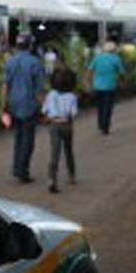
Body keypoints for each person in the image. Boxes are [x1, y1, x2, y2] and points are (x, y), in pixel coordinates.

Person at [0, 33, 45, 183]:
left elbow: (5, 86)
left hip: (13, 105)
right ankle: (22, 171)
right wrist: (45, 107)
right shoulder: (35, 63)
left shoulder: (9, 61)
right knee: (27, 140)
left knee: (18, 138)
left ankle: (17, 167)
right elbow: (38, 90)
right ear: (30, 45)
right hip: (29, 106)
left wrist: (2, 106)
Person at [42, 65, 78, 194]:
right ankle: (71, 175)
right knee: (68, 150)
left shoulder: (50, 95)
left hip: (54, 125)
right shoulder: (72, 97)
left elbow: (45, 111)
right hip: (66, 125)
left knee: (54, 153)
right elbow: (73, 114)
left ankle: (52, 178)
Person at [85, 40, 124, 135]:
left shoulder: (97, 58)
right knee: (108, 107)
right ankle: (105, 126)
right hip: (110, 86)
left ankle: (100, 124)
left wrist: (88, 83)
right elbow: (121, 72)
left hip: (97, 86)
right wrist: (122, 82)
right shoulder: (116, 58)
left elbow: (89, 71)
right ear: (113, 50)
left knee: (100, 106)